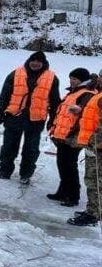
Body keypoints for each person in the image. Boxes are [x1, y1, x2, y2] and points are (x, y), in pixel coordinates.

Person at [0, 51, 61, 184]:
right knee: (9, 146)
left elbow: (55, 101)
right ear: (29, 60)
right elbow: (5, 94)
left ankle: (26, 174)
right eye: (33, 60)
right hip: (14, 116)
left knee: (31, 149)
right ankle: (5, 171)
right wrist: (1, 111)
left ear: (43, 63)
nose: (35, 63)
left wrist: (53, 119)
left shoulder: (52, 78)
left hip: (36, 119)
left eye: (38, 61)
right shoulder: (15, 73)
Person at [47, 69, 97, 207]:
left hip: (73, 136)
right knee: (62, 163)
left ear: (83, 80)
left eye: (75, 79)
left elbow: (88, 113)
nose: (72, 81)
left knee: (69, 165)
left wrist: (79, 112)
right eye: (71, 78)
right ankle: (63, 191)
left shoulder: (87, 93)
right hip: (63, 135)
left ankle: (73, 195)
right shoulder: (72, 92)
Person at [68, 83, 102, 227]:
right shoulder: (99, 95)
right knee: (92, 179)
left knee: (95, 180)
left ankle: (93, 214)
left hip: (97, 147)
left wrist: (96, 143)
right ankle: (93, 210)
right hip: (93, 144)